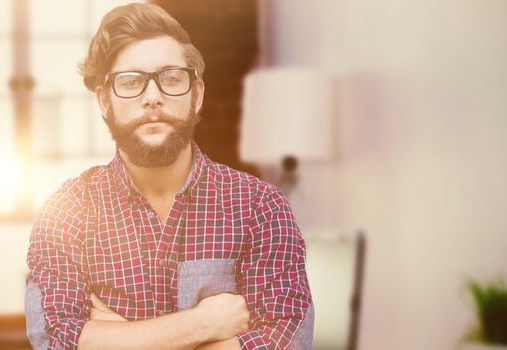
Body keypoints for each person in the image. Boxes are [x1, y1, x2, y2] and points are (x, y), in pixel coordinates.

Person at [25, 3, 313, 349]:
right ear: (104, 101)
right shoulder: (67, 212)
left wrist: (116, 340)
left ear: (197, 94)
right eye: (130, 81)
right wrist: (205, 323)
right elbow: (56, 340)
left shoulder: (260, 207)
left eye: (171, 78)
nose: (152, 97)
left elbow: (287, 340)